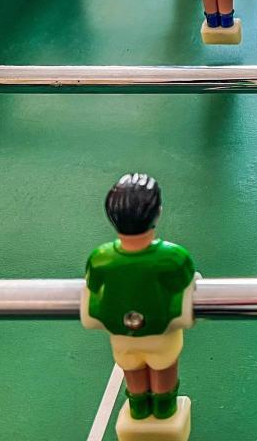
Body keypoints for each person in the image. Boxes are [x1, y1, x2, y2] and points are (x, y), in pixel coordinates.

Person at [82, 173, 197, 434]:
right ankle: (165, 412)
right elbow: (187, 289)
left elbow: (93, 294)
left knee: (132, 372)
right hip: (161, 336)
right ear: (157, 212)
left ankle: (139, 411)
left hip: (122, 339)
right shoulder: (173, 258)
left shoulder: (100, 258)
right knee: (164, 371)